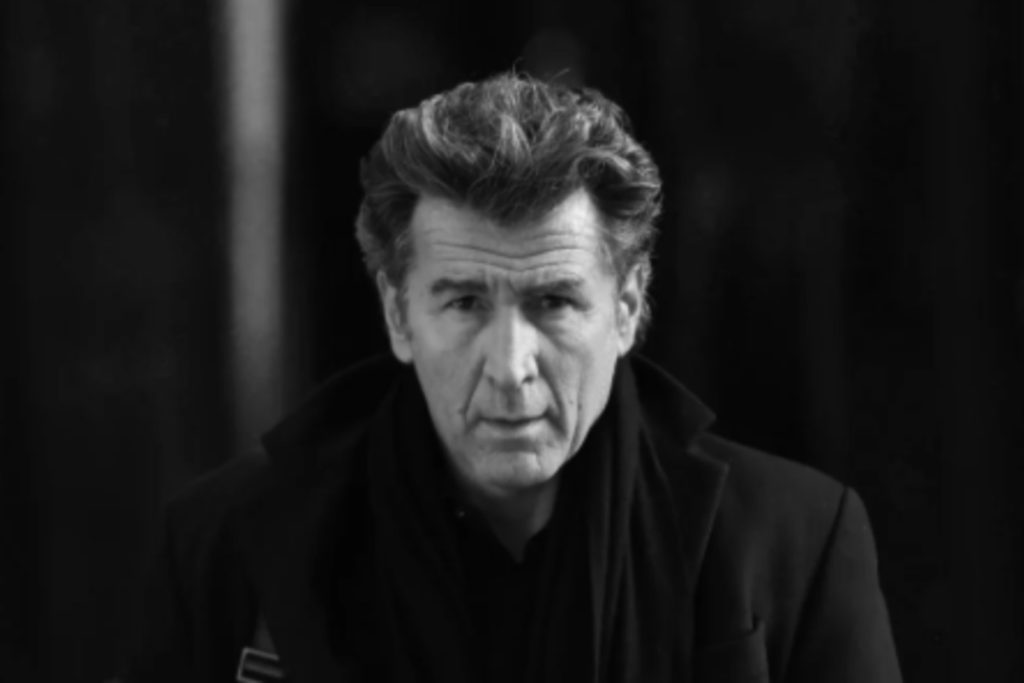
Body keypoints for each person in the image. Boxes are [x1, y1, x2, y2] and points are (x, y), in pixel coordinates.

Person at [122, 72, 902, 682]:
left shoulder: (796, 542)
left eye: (553, 301)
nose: (509, 366)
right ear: (398, 315)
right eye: (464, 303)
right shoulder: (225, 545)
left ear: (627, 308)